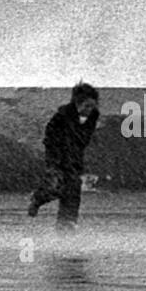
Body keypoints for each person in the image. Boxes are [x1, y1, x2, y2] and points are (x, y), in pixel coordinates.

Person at [28, 81, 100, 230]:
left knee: (73, 189)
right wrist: (54, 161)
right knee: (57, 186)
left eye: (92, 106)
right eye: (86, 106)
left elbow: (84, 139)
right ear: (77, 104)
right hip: (57, 157)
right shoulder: (61, 117)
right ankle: (38, 198)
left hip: (74, 158)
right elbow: (50, 139)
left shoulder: (93, 116)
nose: (89, 109)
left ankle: (66, 223)